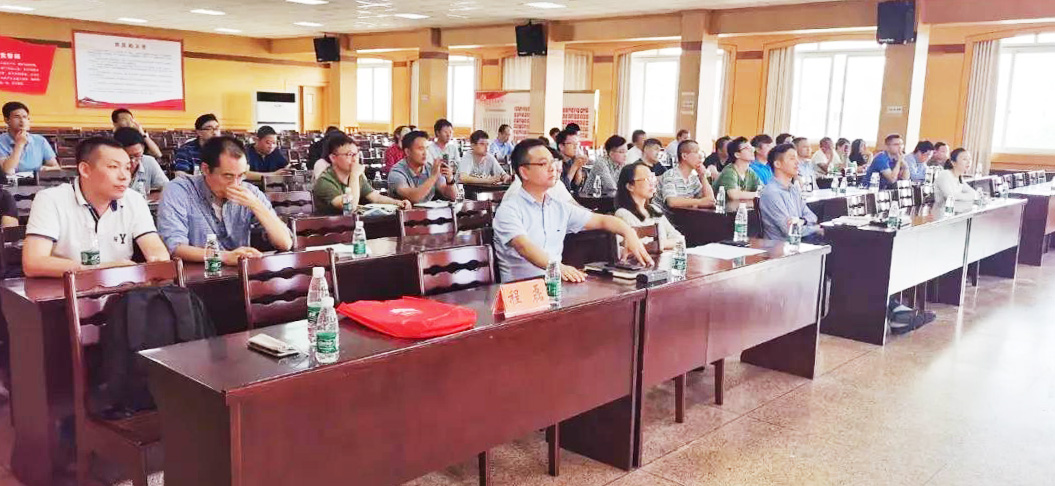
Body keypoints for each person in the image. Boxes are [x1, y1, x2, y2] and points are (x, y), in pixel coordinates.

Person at [493, 138, 652, 282]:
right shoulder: (509, 209)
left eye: (552, 162)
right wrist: (559, 268)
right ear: (524, 172)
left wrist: (628, 232)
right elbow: (523, 246)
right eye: (543, 164)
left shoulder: (558, 207)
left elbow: (602, 220)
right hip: (521, 291)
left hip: (554, 286)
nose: (552, 168)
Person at [22, 137, 169, 278]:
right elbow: (34, 263)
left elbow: (155, 248)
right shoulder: (50, 199)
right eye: (113, 167)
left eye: (127, 168)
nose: (124, 176)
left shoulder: (134, 199)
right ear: (85, 170)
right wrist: (99, 270)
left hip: (123, 289)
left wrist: (157, 261)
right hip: (67, 289)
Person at [157, 136, 292, 265]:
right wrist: (224, 256)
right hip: (196, 275)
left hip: (241, 274)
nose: (236, 183)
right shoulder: (179, 190)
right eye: (228, 176)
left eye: (241, 175)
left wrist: (257, 206)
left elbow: (285, 243)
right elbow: (175, 248)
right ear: (205, 169)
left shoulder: (250, 192)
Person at [312, 133, 411, 215]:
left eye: (356, 154)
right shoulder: (325, 181)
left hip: (353, 226)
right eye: (350, 155)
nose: (355, 159)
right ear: (333, 158)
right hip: (330, 229)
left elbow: (375, 198)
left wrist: (397, 203)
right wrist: (354, 175)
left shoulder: (356, 176)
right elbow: (349, 207)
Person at [759, 143, 822, 242]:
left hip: (799, 240)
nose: (797, 162)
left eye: (796, 158)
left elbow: (812, 217)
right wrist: (815, 229)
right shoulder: (771, 193)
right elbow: (789, 229)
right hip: (780, 246)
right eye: (792, 158)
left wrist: (803, 221)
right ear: (777, 164)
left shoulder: (794, 189)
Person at [614, 162, 685, 251]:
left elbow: (680, 240)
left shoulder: (654, 209)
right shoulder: (623, 214)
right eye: (646, 179)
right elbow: (641, 245)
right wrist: (664, 243)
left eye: (652, 178)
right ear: (630, 186)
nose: (652, 183)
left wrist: (659, 244)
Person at [388, 130, 457, 203]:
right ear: (407, 152)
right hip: (404, 210)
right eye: (421, 149)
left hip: (428, 210)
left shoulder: (430, 168)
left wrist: (450, 179)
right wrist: (433, 177)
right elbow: (413, 198)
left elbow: (452, 196)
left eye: (427, 148)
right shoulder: (397, 172)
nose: (425, 153)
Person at [654, 139, 717, 212]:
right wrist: (700, 202)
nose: (700, 156)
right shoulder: (670, 175)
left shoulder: (693, 178)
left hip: (681, 216)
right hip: (661, 216)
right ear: (684, 156)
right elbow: (671, 202)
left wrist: (702, 176)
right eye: (696, 152)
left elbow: (710, 200)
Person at [1, 101, 58, 175]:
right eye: (17, 117)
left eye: (25, 117)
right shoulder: (1, 142)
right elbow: (7, 170)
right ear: (6, 120)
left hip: (37, 180)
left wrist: (45, 169)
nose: (22, 121)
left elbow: (55, 167)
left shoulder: (40, 140)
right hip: (11, 182)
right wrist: (19, 145)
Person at [112, 127, 168, 197]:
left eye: (137, 155)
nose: (133, 161)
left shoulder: (148, 162)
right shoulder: (110, 167)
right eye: (129, 157)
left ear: (143, 149)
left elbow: (166, 187)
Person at [714, 136, 761, 204]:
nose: (752, 150)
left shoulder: (750, 172)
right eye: (747, 148)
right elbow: (733, 195)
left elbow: (763, 190)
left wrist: (759, 193)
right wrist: (758, 194)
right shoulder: (729, 171)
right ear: (737, 154)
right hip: (719, 209)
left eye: (752, 148)